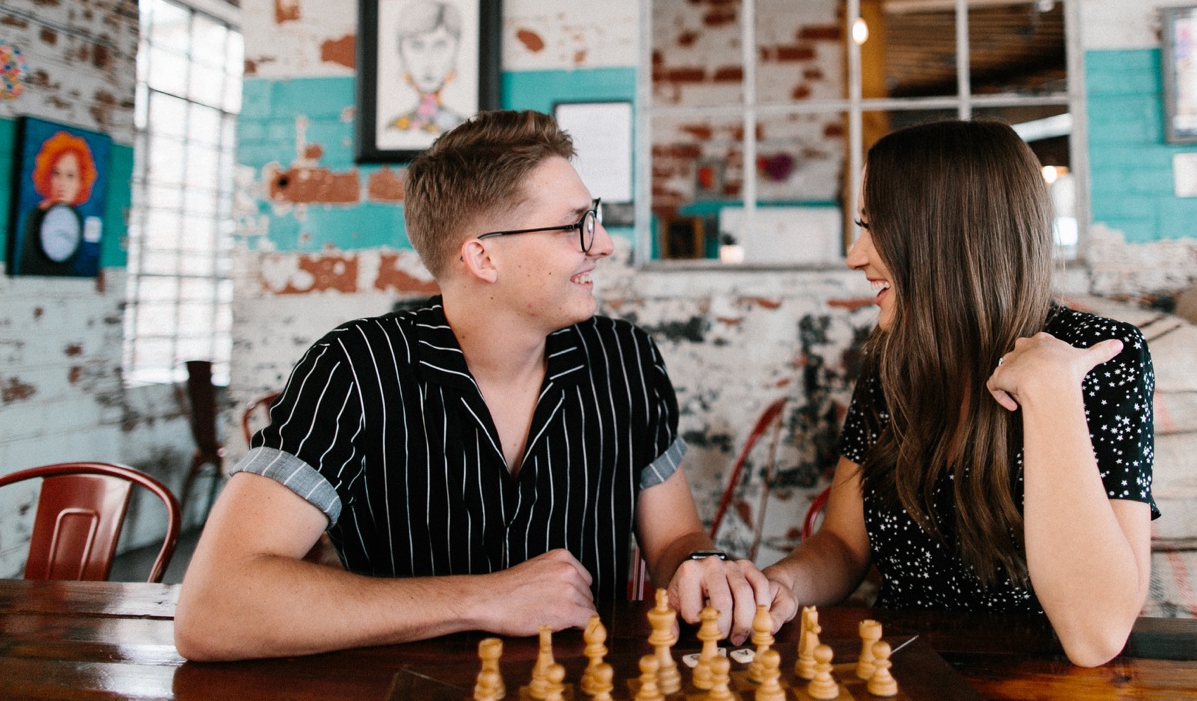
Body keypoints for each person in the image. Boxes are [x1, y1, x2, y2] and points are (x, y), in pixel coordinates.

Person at [176, 110, 769, 661]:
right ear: (482, 258)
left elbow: (675, 538)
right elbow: (212, 608)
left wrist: (701, 564)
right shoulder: (355, 369)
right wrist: (482, 597)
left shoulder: (627, 359)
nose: (604, 244)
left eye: (595, 220)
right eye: (574, 226)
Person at [761, 119, 1156, 667]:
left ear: (946, 238)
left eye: (875, 228)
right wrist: (781, 584)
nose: (855, 255)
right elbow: (845, 546)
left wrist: (1052, 393)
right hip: (904, 670)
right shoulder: (890, 357)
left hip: (1042, 681)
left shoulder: (1102, 357)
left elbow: (1096, 634)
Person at [15, 130, 97, 276]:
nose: (62, 183)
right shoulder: (34, 216)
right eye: (56, 174)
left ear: (81, 182)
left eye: (70, 176)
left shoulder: (80, 220)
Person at [387, 0, 466, 135]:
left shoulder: (465, 129)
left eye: (440, 45)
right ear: (401, 51)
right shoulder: (393, 129)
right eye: (417, 45)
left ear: (455, 50)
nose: (428, 60)